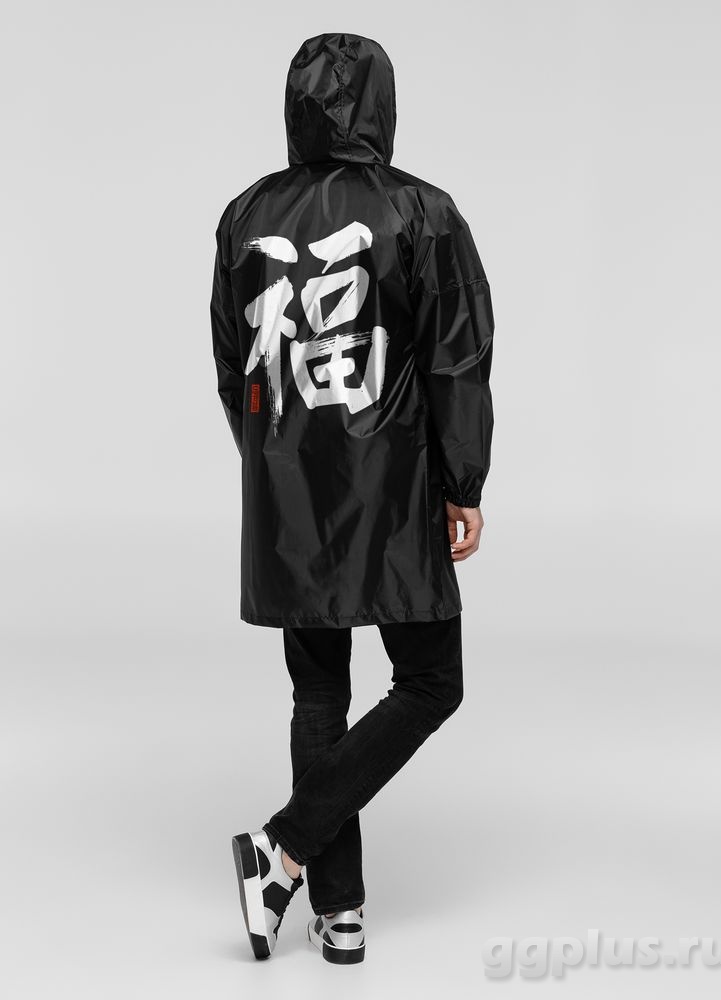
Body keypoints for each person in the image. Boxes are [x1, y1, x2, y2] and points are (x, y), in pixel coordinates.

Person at [210, 31, 494, 965]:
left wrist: (270, 460)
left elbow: (233, 367)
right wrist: (463, 481)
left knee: (320, 691)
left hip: (288, 487)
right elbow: (456, 357)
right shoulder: (423, 211)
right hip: (394, 486)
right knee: (432, 681)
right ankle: (296, 858)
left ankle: (328, 902)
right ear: (382, 105)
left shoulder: (245, 215)